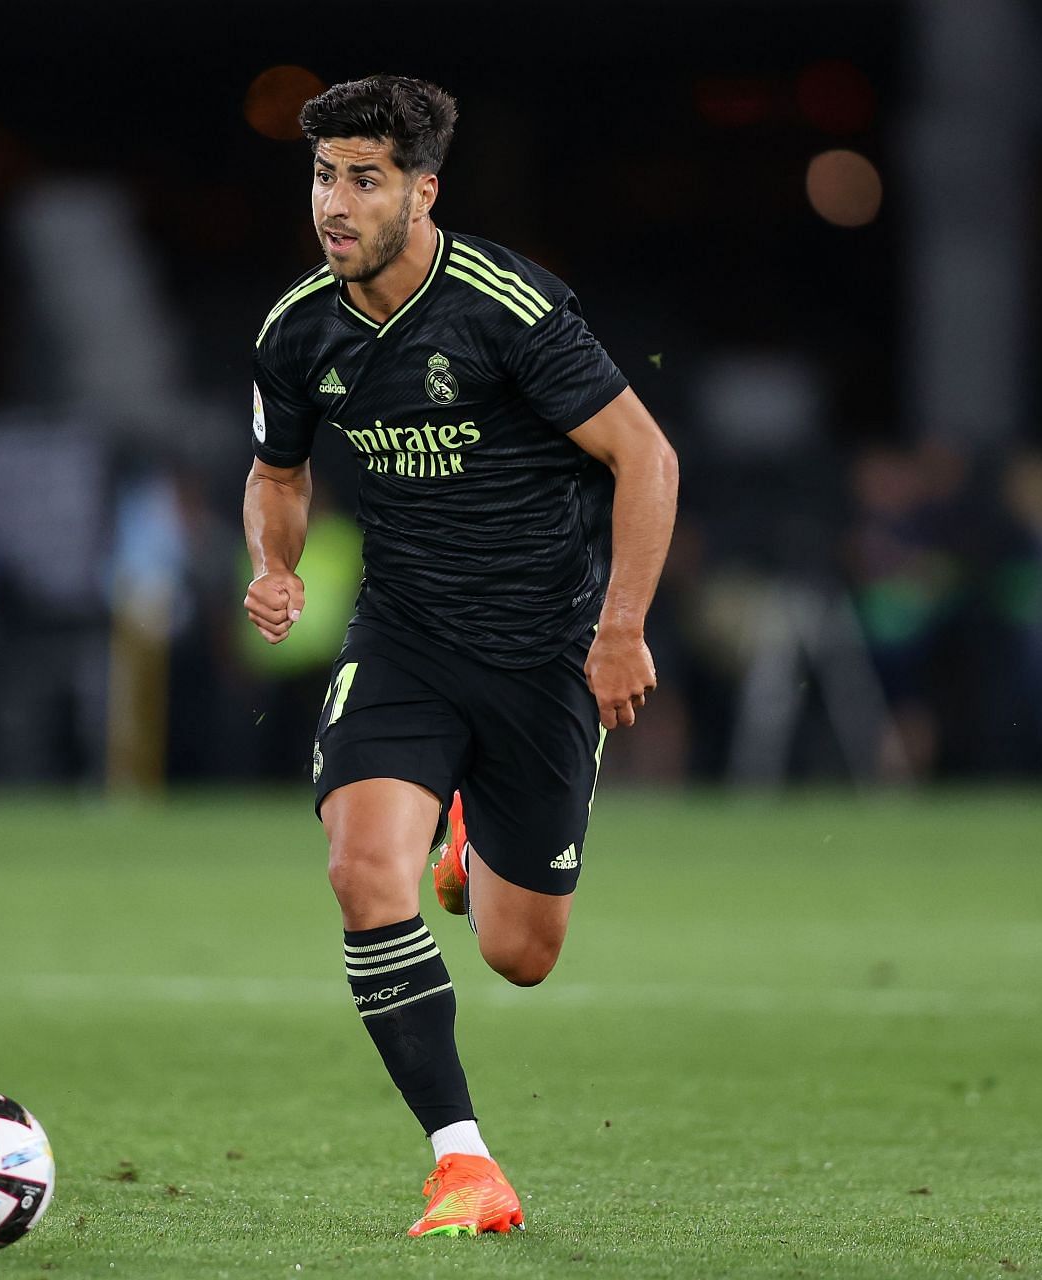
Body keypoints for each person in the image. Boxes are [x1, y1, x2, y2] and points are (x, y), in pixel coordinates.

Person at [240, 75, 679, 1238]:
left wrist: (621, 626)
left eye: (365, 179)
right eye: (325, 176)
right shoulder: (299, 329)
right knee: (359, 871)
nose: (336, 203)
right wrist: (275, 564)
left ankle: (475, 826)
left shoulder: (506, 306)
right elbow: (278, 472)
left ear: (422, 192)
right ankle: (463, 1159)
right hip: (406, 638)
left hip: (542, 651)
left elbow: (648, 459)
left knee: (520, 953)